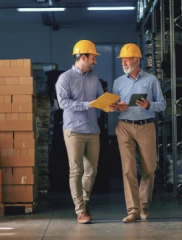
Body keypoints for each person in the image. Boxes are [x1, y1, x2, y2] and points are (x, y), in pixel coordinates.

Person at [111, 43, 166, 223]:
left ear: (137, 59)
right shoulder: (118, 82)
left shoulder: (151, 80)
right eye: (122, 60)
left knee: (149, 168)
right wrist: (117, 107)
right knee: (128, 169)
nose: (124, 62)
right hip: (124, 127)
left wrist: (149, 105)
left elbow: (163, 104)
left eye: (127, 59)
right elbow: (113, 106)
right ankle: (133, 210)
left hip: (146, 126)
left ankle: (144, 206)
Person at [56, 40, 104, 224]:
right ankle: (80, 210)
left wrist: (112, 105)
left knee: (91, 171)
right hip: (74, 130)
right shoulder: (65, 78)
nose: (95, 61)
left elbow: (100, 100)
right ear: (83, 57)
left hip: (93, 130)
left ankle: (84, 202)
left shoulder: (94, 79)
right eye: (93, 58)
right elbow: (63, 103)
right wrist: (87, 105)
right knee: (76, 171)